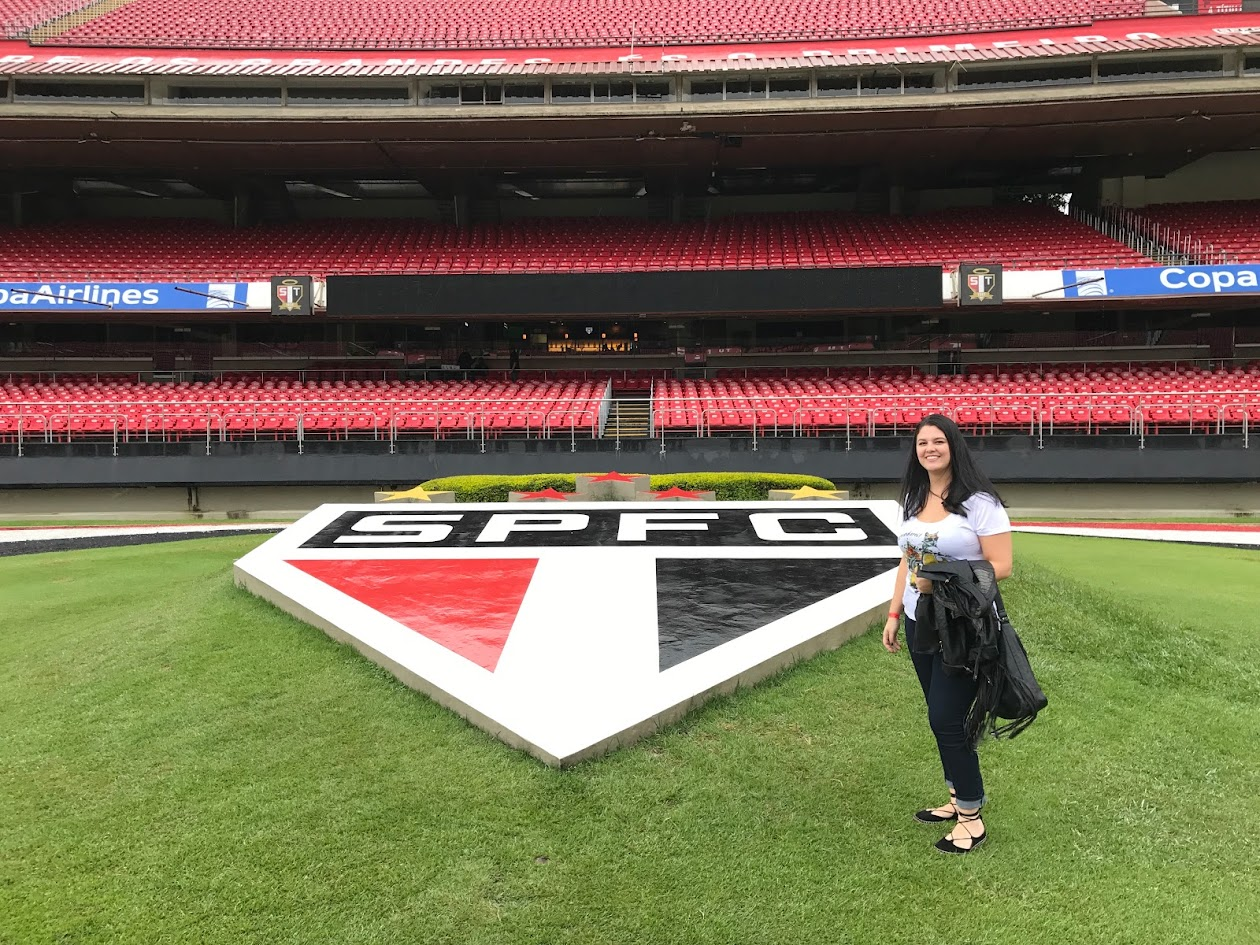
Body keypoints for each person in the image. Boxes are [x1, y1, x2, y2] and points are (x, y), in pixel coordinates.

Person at [881, 414, 1013, 855]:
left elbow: (1001, 566)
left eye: (938, 441)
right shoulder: (913, 497)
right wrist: (894, 613)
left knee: (945, 717)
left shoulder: (979, 502)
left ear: (953, 446)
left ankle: (971, 818)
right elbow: (907, 560)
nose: (930, 449)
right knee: (940, 716)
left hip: (963, 626)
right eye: (922, 443)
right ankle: (957, 797)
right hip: (920, 621)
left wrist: (939, 579)